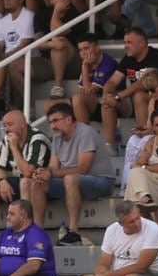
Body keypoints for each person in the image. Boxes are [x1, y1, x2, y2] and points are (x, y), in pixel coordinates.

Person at [43, 101, 117, 245]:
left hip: (102, 181)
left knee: (70, 179)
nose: (52, 126)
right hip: (74, 182)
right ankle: (37, 231)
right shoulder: (57, 138)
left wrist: (52, 174)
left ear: (69, 119)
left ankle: (73, 233)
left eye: (55, 121)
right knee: (37, 182)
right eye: (50, 122)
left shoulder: (85, 132)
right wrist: (44, 173)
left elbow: (83, 169)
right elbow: (53, 167)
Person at [0, 109, 52, 229]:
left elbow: (28, 173)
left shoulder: (37, 139)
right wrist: (2, 182)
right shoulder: (8, 139)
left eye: (10, 125)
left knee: (25, 182)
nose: (6, 129)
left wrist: (15, 148)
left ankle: (25, 229)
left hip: (42, 183)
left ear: (23, 124)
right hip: (22, 181)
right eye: (4, 125)